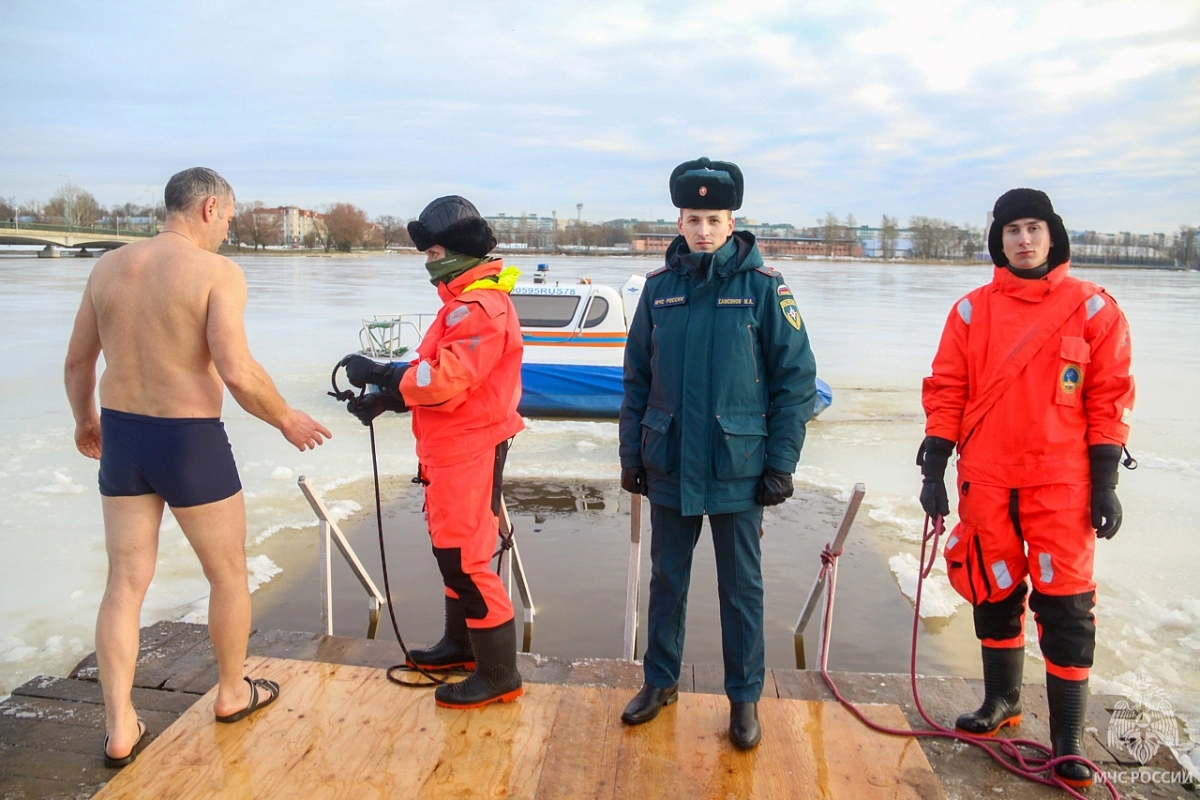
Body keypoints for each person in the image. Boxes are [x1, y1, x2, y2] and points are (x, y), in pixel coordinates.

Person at [63, 167, 331, 767]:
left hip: (124, 436)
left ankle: (119, 727)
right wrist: (285, 417)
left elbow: (79, 361)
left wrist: (85, 421)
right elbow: (235, 370)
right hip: (188, 442)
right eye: (230, 218)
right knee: (228, 574)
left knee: (124, 584)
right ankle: (233, 694)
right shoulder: (216, 273)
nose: (228, 230)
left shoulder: (108, 267)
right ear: (210, 207)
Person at [919, 188, 1134, 788]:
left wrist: (1106, 481)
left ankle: (1067, 739)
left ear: (1052, 235)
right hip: (986, 481)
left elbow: (1109, 397)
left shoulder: (1094, 309)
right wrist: (933, 466)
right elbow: (947, 388)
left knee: (1066, 610)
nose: (1023, 239)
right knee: (993, 592)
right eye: (1012, 230)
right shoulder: (969, 311)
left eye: (1034, 227)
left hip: (1061, 487)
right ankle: (1002, 702)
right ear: (1000, 241)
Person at [618, 158, 818, 749]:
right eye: (692, 218)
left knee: (741, 590)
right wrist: (632, 453)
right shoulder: (658, 291)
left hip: (739, 469)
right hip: (671, 462)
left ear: (733, 223)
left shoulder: (764, 288)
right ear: (677, 222)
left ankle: (745, 699)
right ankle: (660, 682)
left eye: (714, 218)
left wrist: (782, 462)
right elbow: (635, 379)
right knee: (668, 583)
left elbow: (796, 381)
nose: (703, 230)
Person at [337, 195, 525, 709]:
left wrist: (379, 371)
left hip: (469, 450)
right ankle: (460, 646)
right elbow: (439, 380)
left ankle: (499, 673)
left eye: (433, 251)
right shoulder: (459, 306)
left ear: (458, 253)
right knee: (451, 554)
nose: (427, 261)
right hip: (448, 449)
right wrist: (388, 400)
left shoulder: (481, 309)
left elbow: (444, 380)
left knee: (466, 559)